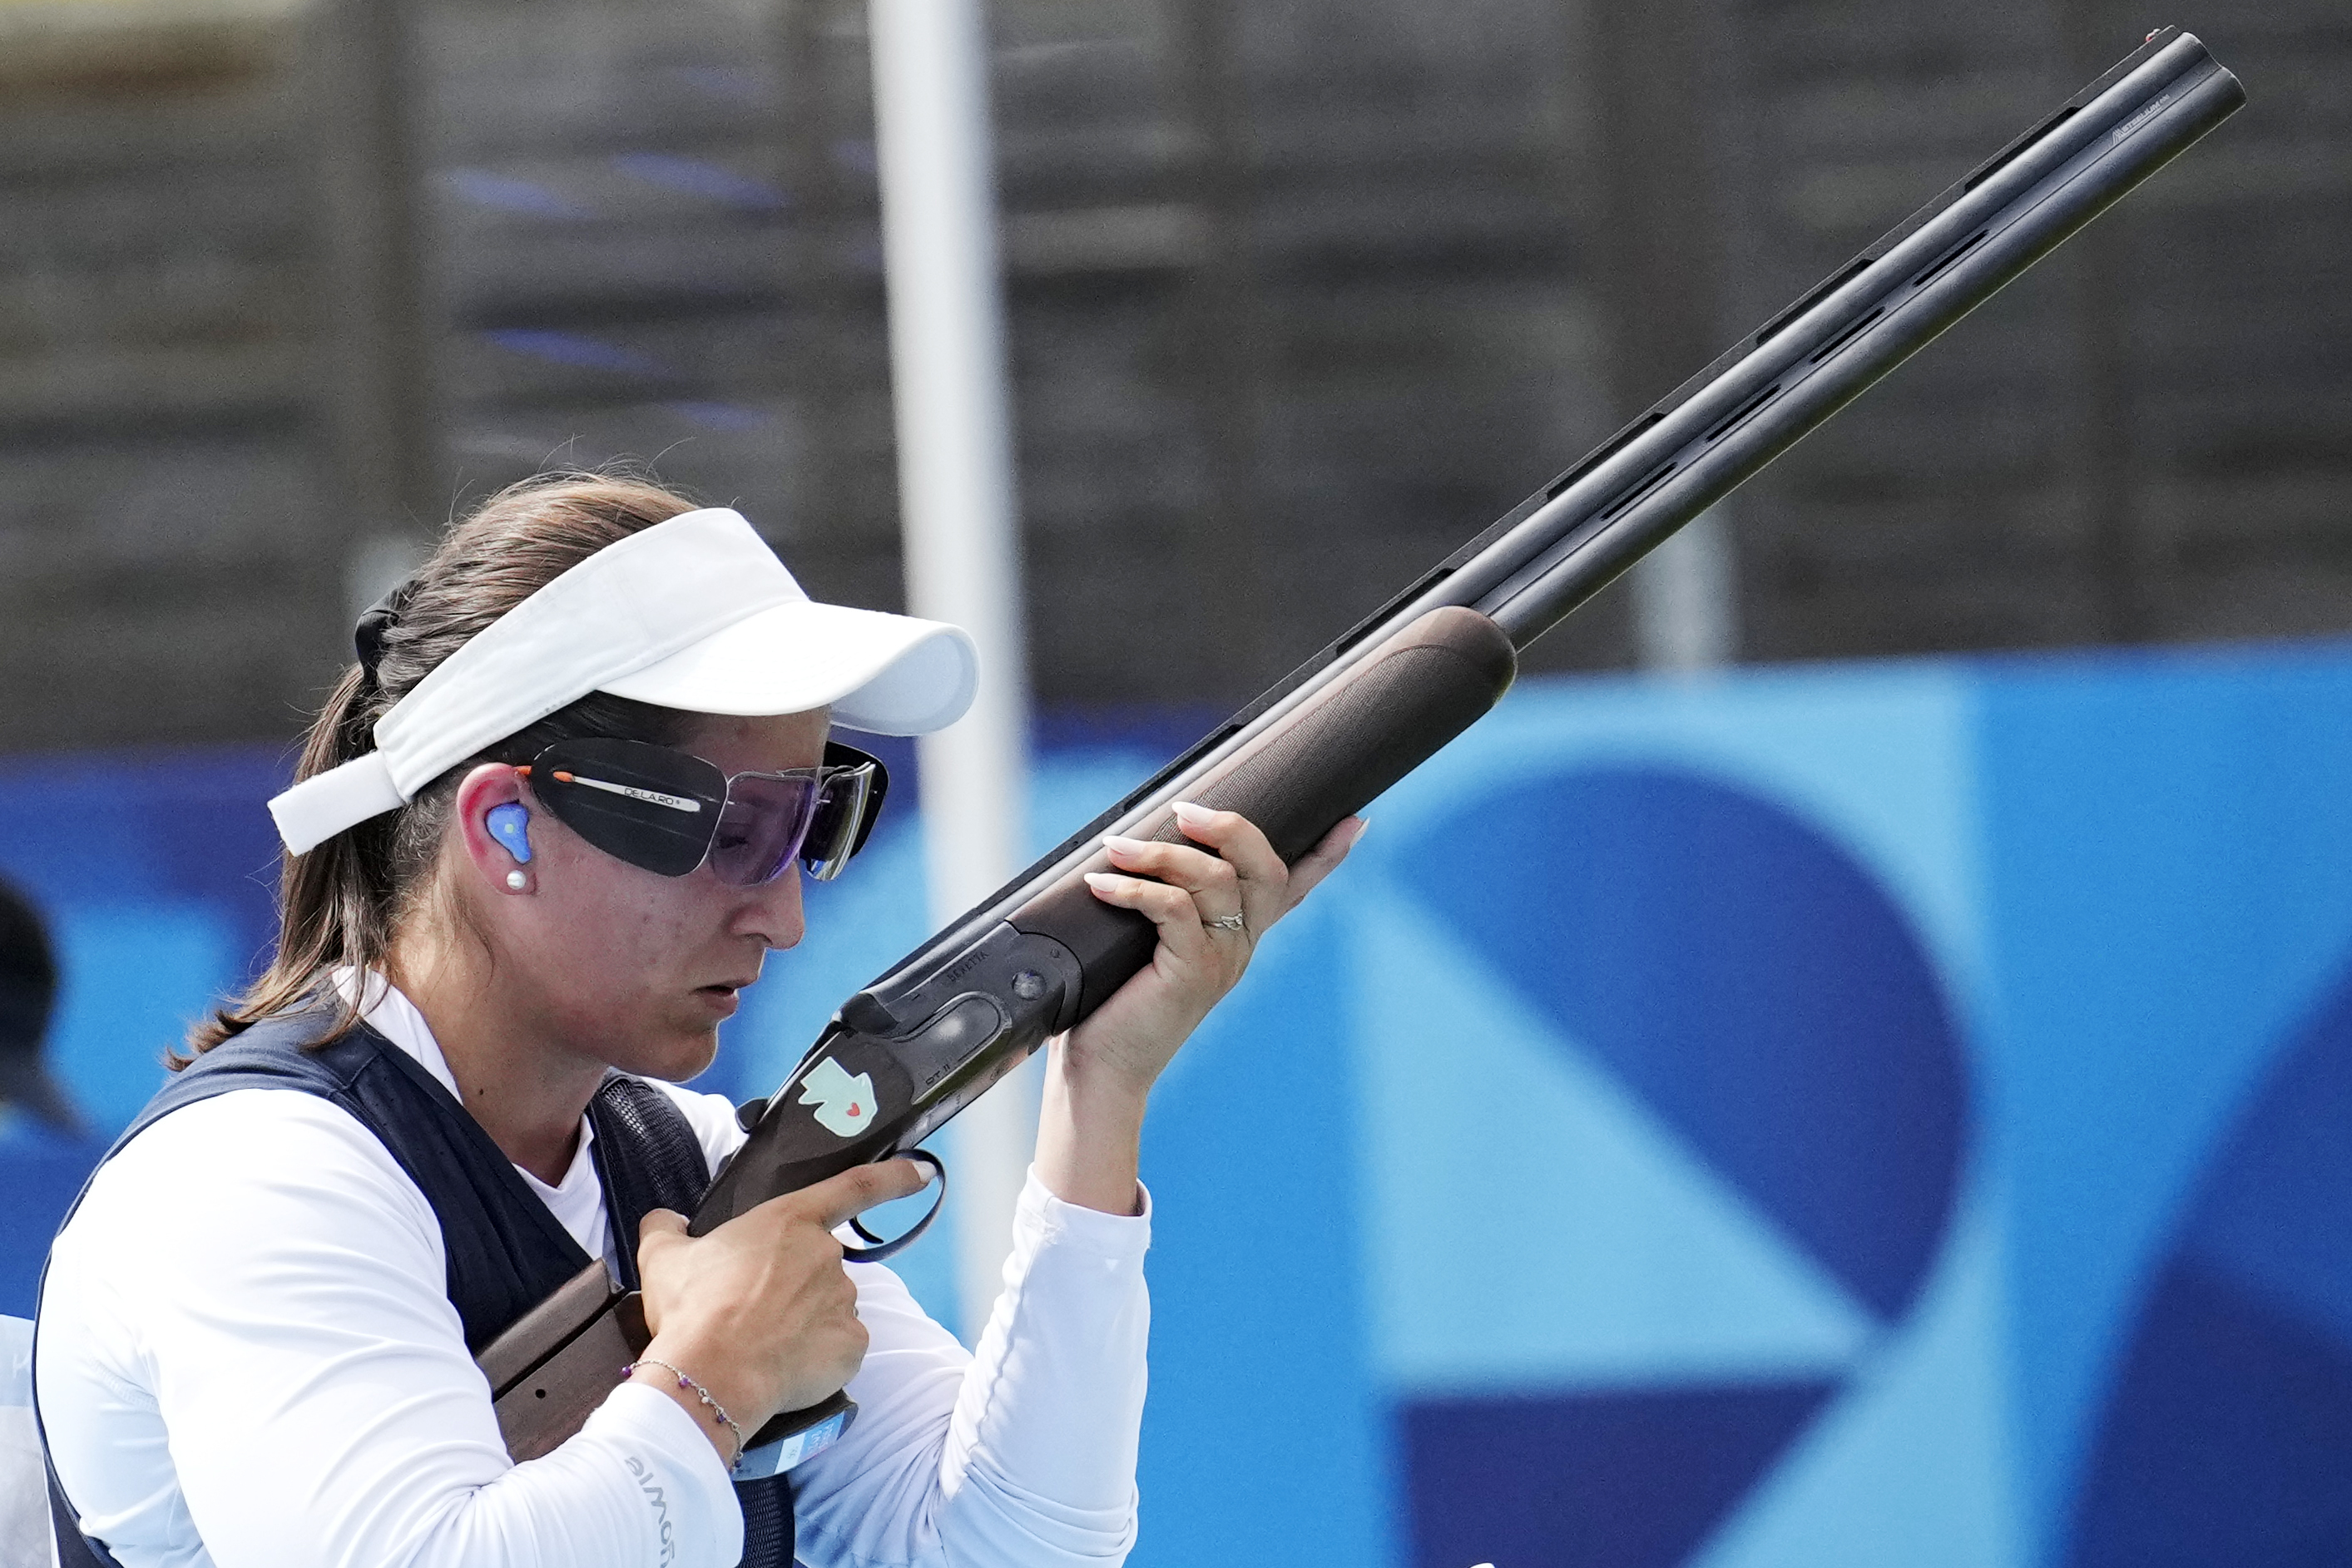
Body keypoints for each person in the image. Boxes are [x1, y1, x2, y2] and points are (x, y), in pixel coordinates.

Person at [32, 474, 1362, 1568]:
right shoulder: (258, 1179)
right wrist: (710, 1380)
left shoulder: (680, 1155)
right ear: (505, 823)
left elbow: (1012, 1545)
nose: (782, 916)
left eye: (815, 820)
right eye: (740, 831)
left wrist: (1102, 1092)